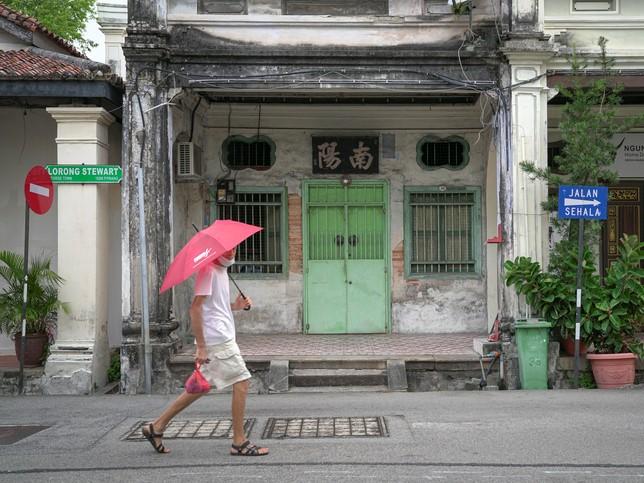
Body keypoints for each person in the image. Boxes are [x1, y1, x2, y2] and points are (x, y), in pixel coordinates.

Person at [142, 247, 269, 456]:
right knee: (242, 381)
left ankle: (157, 426)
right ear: (216, 251)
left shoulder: (221, 271)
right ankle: (239, 442)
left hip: (221, 337)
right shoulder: (208, 270)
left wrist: (235, 306)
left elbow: (214, 307)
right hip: (218, 340)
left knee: (200, 387)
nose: (231, 252)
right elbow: (196, 308)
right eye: (227, 250)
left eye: (235, 248)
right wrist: (201, 346)